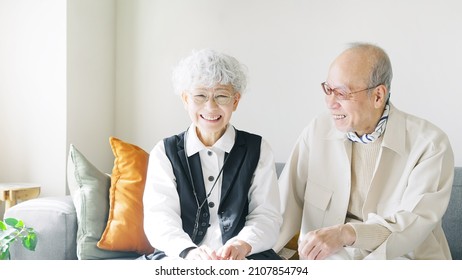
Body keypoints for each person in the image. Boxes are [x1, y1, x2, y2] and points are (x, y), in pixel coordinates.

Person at [274, 42, 455, 260]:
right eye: (328, 90)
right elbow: (283, 206)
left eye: (341, 93)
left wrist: (346, 233)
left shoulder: (430, 144)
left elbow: (411, 225)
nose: (330, 103)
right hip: (332, 259)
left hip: (403, 260)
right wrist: (249, 252)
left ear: (378, 96)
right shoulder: (317, 130)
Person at [143, 49, 282, 260]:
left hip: (244, 258)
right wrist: (188, 251)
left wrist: (242, 245)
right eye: (200, 95)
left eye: (221, 96)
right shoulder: (165, 152)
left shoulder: (258, 148)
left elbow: (266, 215)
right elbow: (159, 217)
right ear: (185, 99)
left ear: (235, 101)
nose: (210, 106)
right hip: (180, 258)